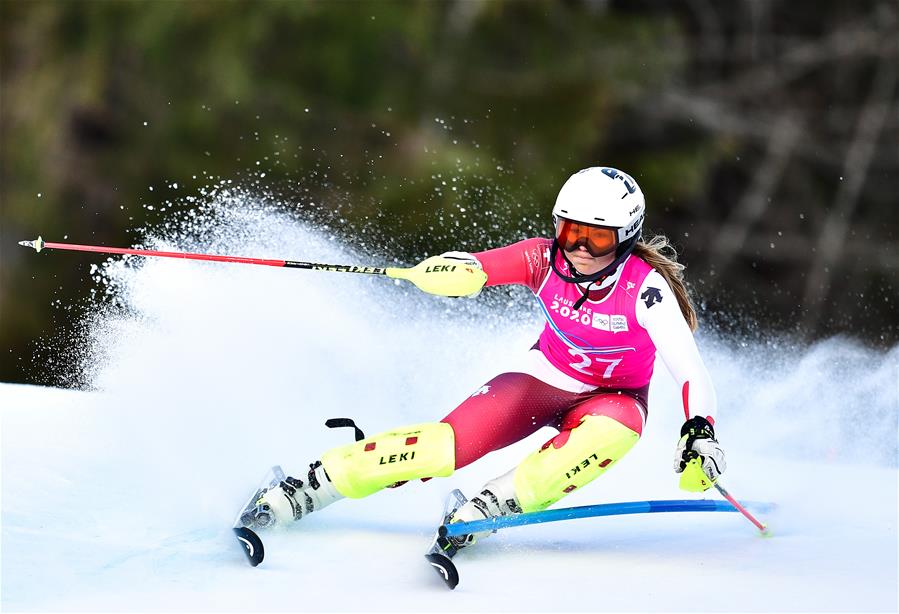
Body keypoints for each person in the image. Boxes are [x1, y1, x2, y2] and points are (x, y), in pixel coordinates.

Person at [242, 166, 726, 548]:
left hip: (614, 398)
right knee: (443, 448)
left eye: (596, 237)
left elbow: (689, 369)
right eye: (569, 231)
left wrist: (700, 432)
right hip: (543, 377)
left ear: (624, 236)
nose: (578, 248)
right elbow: (480, 267)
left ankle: (495, 505)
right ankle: (310, 485)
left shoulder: (647, 289)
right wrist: (453, 272)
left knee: (614, 434)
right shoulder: (543, 258)